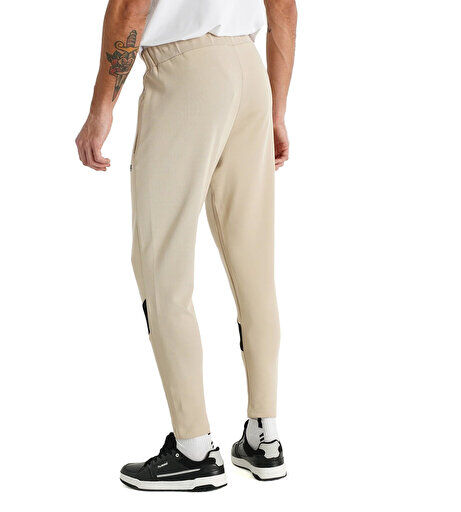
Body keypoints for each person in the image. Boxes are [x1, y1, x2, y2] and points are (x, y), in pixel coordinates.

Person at [76, 0, 297, 491]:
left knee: (163, 264)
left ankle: (195, 448)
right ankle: (264, 437)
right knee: (253, 265)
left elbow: (131, 7)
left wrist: (101, 107)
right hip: (250, 73)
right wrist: (277, 109)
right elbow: (282, 6)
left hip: (185, 74)